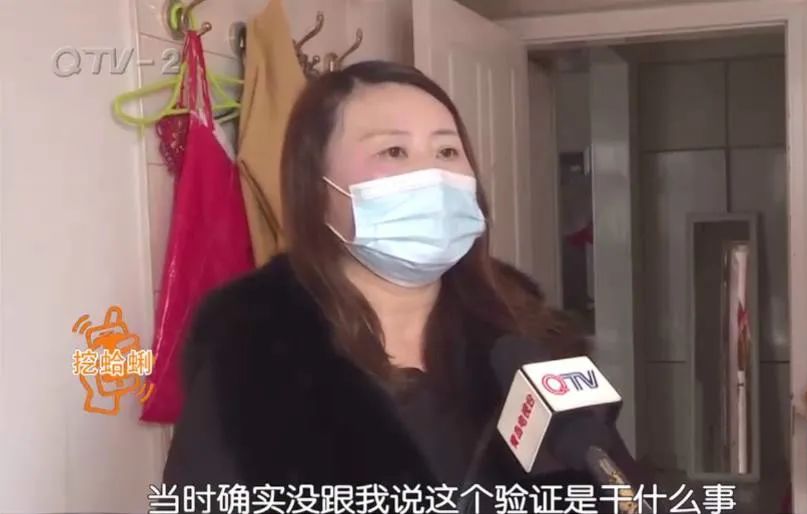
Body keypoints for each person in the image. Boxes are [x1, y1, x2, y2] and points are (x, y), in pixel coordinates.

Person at [162, 60, 644, 507]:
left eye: (447, 151)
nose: (432, 174)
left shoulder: (527, 338)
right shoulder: (251, 357)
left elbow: (618, 487)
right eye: (393, 151)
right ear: (317, 188)